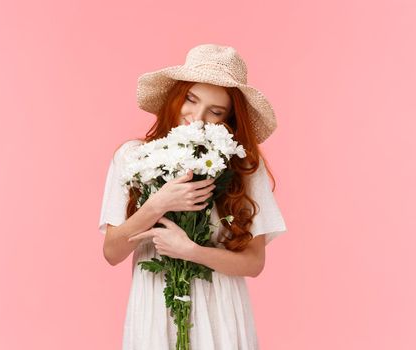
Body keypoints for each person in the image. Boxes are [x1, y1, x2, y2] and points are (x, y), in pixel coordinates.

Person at [98, 43, 288, 350]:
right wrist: (159, 203)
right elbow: (112, 252)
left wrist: (190, 251)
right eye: (191, 99)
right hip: (155, 308)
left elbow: (254, 263)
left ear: (229, 120)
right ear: (177, 95)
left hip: (219, 311)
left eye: (216, 111)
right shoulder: (133, 158)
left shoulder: (244, 166)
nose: (197, 118)